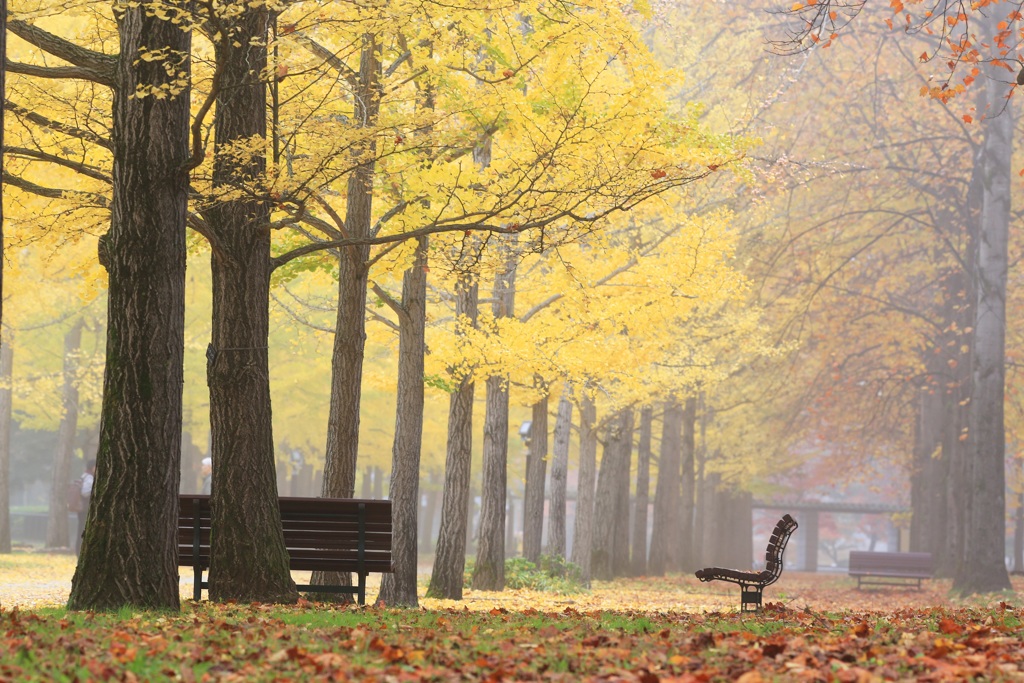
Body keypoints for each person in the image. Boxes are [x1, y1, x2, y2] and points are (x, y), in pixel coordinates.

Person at [76, 459, 95, 555]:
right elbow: (85, 492)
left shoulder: (84, 476)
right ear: (93, 468)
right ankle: (80, 551)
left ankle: (79, 550)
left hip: (81, 508)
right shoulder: (89, 478)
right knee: (83, 529)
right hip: (85, 508)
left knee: (81, 528)